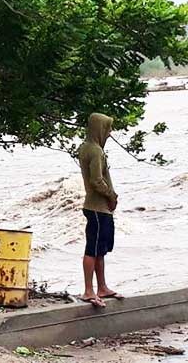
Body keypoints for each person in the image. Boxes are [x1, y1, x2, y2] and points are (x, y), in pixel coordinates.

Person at [78, 113, 124, 308]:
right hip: (98, 207)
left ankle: (102, 287)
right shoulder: (95, 151)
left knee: (100, 250)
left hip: (98, 208)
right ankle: (89, 290)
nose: (110, 132)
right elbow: (96, 180)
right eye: (108, 128)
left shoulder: (85, 147)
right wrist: (111, 196)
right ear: (100, 129)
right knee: (92, 249)